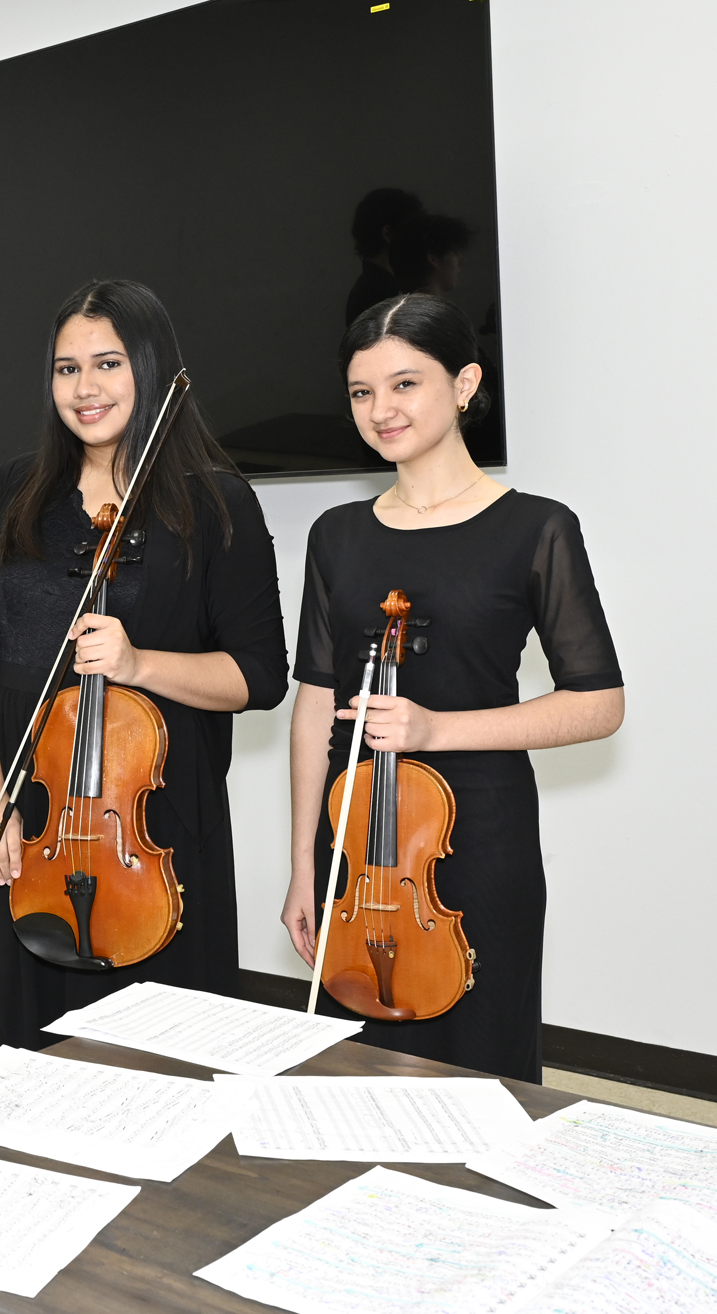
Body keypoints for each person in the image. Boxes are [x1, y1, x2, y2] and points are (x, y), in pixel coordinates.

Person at [0, 279, 289, 1070]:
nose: (84, 388)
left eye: (108, 363)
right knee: (13, 1069)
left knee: (156, 1075)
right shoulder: (13, 490)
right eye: (67, 368)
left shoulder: (218, 502)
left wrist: (139, 663)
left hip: (151, 832)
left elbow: (260, 674)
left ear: (152, 367)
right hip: (26, 820)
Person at [280, 293, 624, 1083]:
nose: (381, 409)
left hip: (480, 837)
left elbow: (599, 703)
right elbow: (316, 704)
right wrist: (304, 863)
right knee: (349, 1072)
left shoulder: (537, 527)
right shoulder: (336, 534)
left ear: (464, 384)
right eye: (362, 391)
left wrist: (438, 729)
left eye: (405, 383)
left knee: (481, 1069)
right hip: (356, 846)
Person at [344, 187, 424, 324]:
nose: (418, 241)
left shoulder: (373, 287)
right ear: (388, 233)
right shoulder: (382, 294)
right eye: (412, 232)